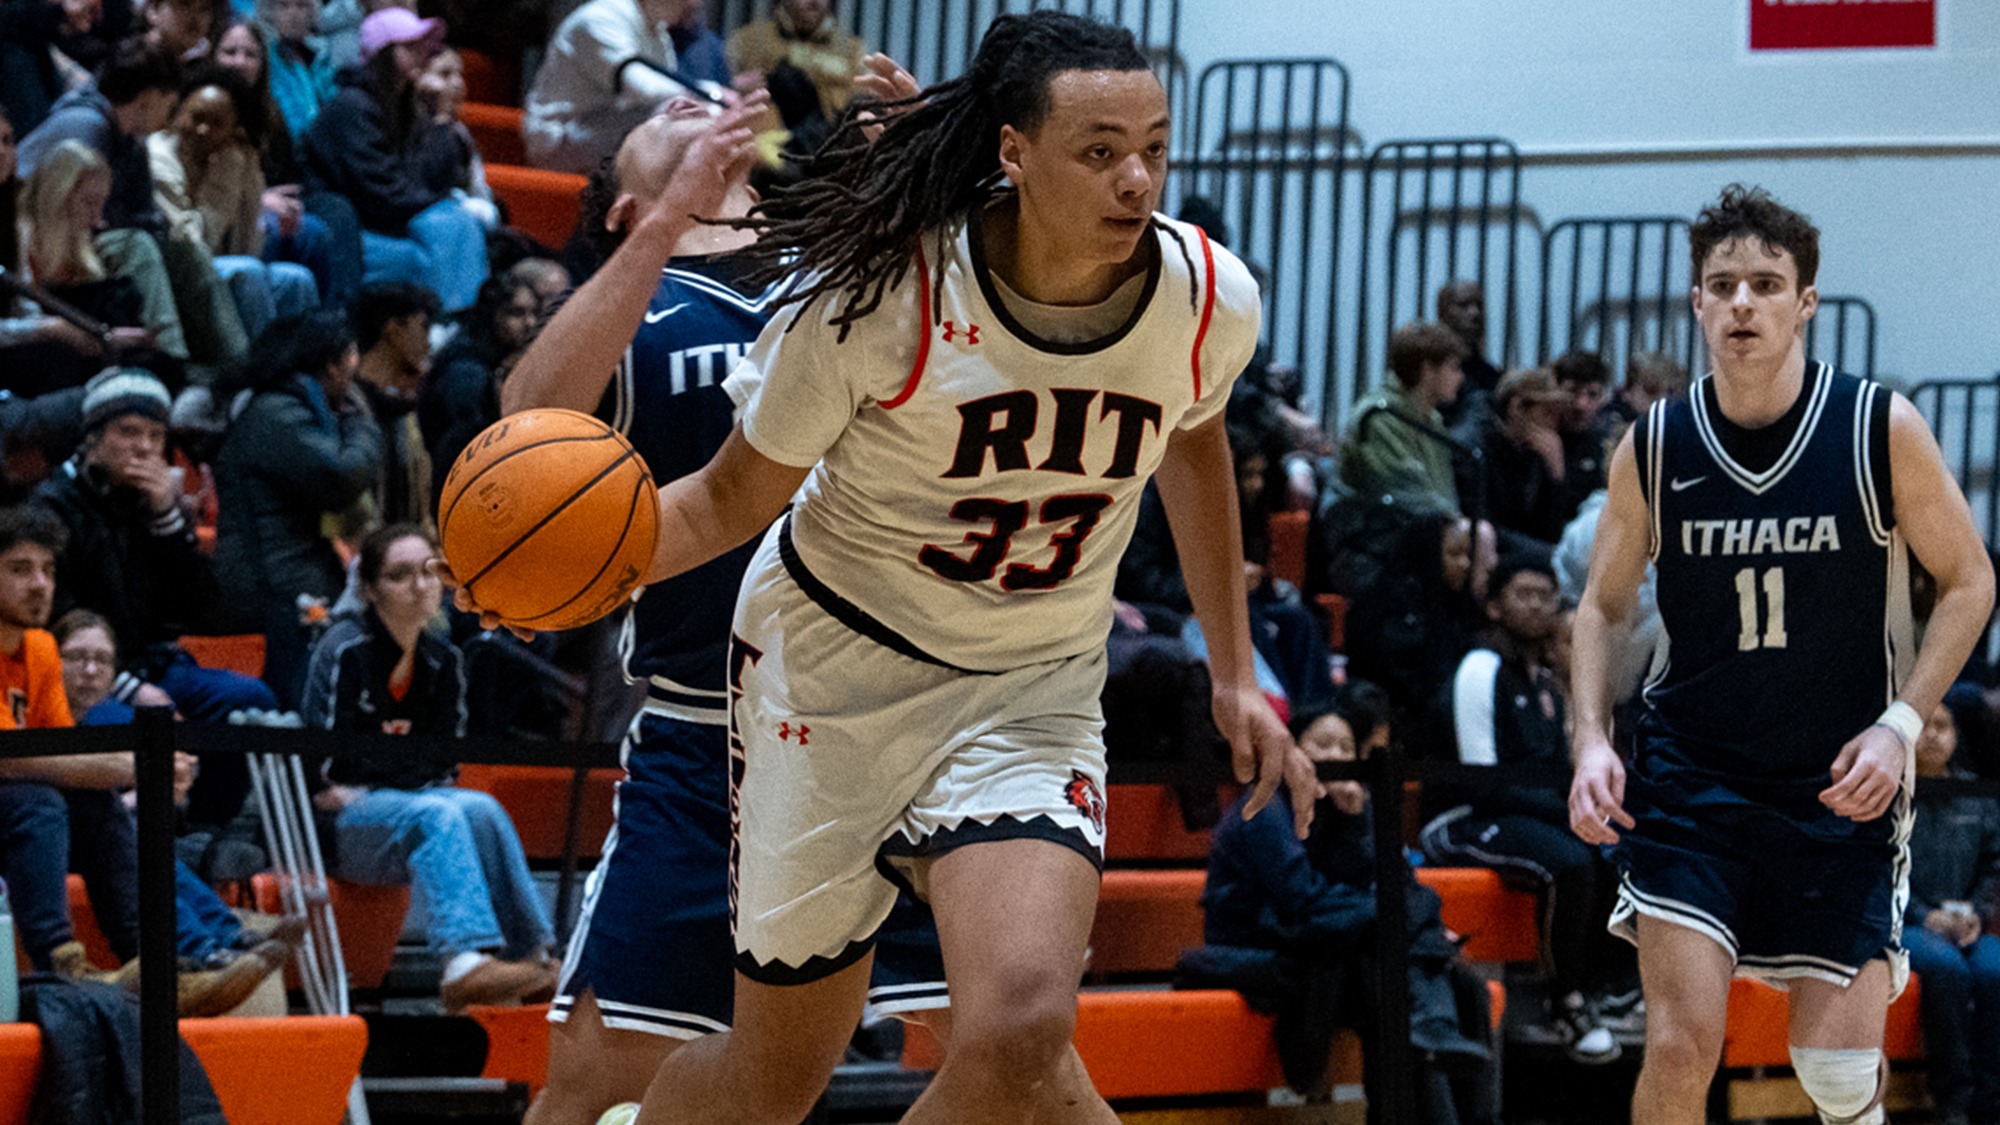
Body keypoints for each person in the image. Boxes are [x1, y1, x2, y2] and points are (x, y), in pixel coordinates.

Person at [459, 12, 1315, 1122]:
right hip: (826, 684)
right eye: (1099, 152)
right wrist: (567, 563)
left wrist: (1232, 671)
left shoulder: (1206, 293)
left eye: (1152, 146)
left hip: (1028, 686)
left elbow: (1193, 435)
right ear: (1012, 152)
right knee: (771, 1080)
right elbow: (724, 498)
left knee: (1020, 1030)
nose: (1136, 179)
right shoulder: (876, 295)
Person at [505, 90, 955, 1125]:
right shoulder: (635, 303)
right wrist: (669, 221)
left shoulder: (842, 275)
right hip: (707, 735)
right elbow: (528, 416)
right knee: (590, 1085)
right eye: (661, 118)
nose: (692, 103)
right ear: (620, 207)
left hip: (888, 725)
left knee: (1006, 1045)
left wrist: (919, 166)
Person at [1569, 184, 1997, 1125]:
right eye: (1722, 284)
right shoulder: (1654, 443)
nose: (1742, 304)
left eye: (1767, 283)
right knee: (1680, 1046)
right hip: (1694, 774)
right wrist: (1592, 740)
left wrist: (1901, 723)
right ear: (1696, 302)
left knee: (1837, 1074)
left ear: (1806, 302)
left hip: (1838, 775)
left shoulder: (1876, 428)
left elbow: (1971, 580)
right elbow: (1598, 609)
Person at [1186, 683, 1495, 1122]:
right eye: (1323, 743)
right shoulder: (1264, 809)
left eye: (1346, 745)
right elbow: (1302, 900)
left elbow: (1389, 880)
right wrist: (1389, 915)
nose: (1335, 755)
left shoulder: (1343, 806)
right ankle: (1426, 1039)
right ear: (1292, 749)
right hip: (1262, 943)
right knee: (1396, 954)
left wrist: (1355, 824)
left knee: (1461, 983)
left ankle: (1463, 1087)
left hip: (1327, 943)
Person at [301, 523, 558, 1011]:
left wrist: (384, 773)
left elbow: (441, 765)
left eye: (428, 572)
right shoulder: (343, 649)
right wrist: (397, 774)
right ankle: (461, 965)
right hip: (340, 826)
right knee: (440, 814)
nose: (420, 585)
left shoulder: (445, 660)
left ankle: (533, 959)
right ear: (371, 589)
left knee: (480, 807)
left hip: (391, 804)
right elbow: (330, 765)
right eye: (400, 575)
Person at [34, 366, 281, 832]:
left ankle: (203, 833)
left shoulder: (151, 506)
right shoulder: (52, 509)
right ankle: (141, 842)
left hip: (159, 663)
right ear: (91, 437)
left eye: (154, 435)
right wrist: (125, 684)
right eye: (128, 432)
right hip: (81, 674)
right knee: (132, 724)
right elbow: (53, 619)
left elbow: (205, 609)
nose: (145, 447)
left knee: (251, 703)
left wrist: (168, 519)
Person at [1426, 553, 1630, 1063]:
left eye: (1546, 594)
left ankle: (1611, 990)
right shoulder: (1480, 668)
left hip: (1522, 813)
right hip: (1461, 820)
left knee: (1616, 849)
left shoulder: (1542, 680)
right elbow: (1482, 781)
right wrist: (1569, 811)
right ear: (1494, 606)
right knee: (1569, 862)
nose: (1538, 605)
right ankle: (1564, 1003)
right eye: (1524, 593)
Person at [212, 310, 384, 705]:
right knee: (297, 703)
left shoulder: (283, 408)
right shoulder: (275, 412)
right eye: (350, 362)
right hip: (274, 587)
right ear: (331, 363)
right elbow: (341, 476)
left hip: (286, 578)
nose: (353, 379)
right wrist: (361, 422)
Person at [302, 6, 488, 311]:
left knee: (457, 222)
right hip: (353, 225)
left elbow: (436, 176)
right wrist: (441, 199)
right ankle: (450, 327)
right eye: (410, 46)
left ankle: (453, 327)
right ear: (383, 52)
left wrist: (440, 118)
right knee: (449, 226)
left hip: (388, 221)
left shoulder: (402, 106)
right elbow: (380, 193)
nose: (422, 54)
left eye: (422, 46)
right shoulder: (353, 107)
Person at [148, 64, 318, 341]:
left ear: (233, 129)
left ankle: (299, 375)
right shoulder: (159, 160)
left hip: (222, 271)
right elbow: (192, 248)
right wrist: (223, 184)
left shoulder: (232, 157)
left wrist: (246, 170)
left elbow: (250, 245)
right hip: (180, 277)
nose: (202, 129)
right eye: (196, 116)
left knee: (295, 280)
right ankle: (258, 375)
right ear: (180, 111)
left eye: (217, 123)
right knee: (247, 273)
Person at [1903, 688, 2000, 1125]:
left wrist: (1977, 914)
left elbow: (1994, 865)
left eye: (1942, 725)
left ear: (1957, 735)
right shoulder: (1892, 795)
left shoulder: (1978, 795)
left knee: (1995, 968)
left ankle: (1991, 1098)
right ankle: (1953, 1099)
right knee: (1946, 969)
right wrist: (1926, 916)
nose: (1931, 736)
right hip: (1910, 923)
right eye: (1922, 726)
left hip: (1970, 923)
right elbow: (1883, 869)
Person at [523, 0, 733, 176]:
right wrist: (715, 93)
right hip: (559, 141)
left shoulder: (657, 30)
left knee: (693, 117)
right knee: (681, 117)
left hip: (601, 129)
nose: (694, 4)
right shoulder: (600, 17)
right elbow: (642, 88)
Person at [1340, 320, 1467, 520]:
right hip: (1369, 532)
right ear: (1427, 370)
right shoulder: (1379, 416)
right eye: (1453, 368)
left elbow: (1443, 493)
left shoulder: (1432, 418)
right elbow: (1404, 492)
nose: (1461, 377)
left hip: (1417, 528)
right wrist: (1455, 524)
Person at [725, 0, 867, 123]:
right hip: (761, 148)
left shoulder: (852, 51)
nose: (814, 1)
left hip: (828, 148)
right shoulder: (748, 42)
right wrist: (734, 88)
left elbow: (862, 110)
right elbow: (718, 94)